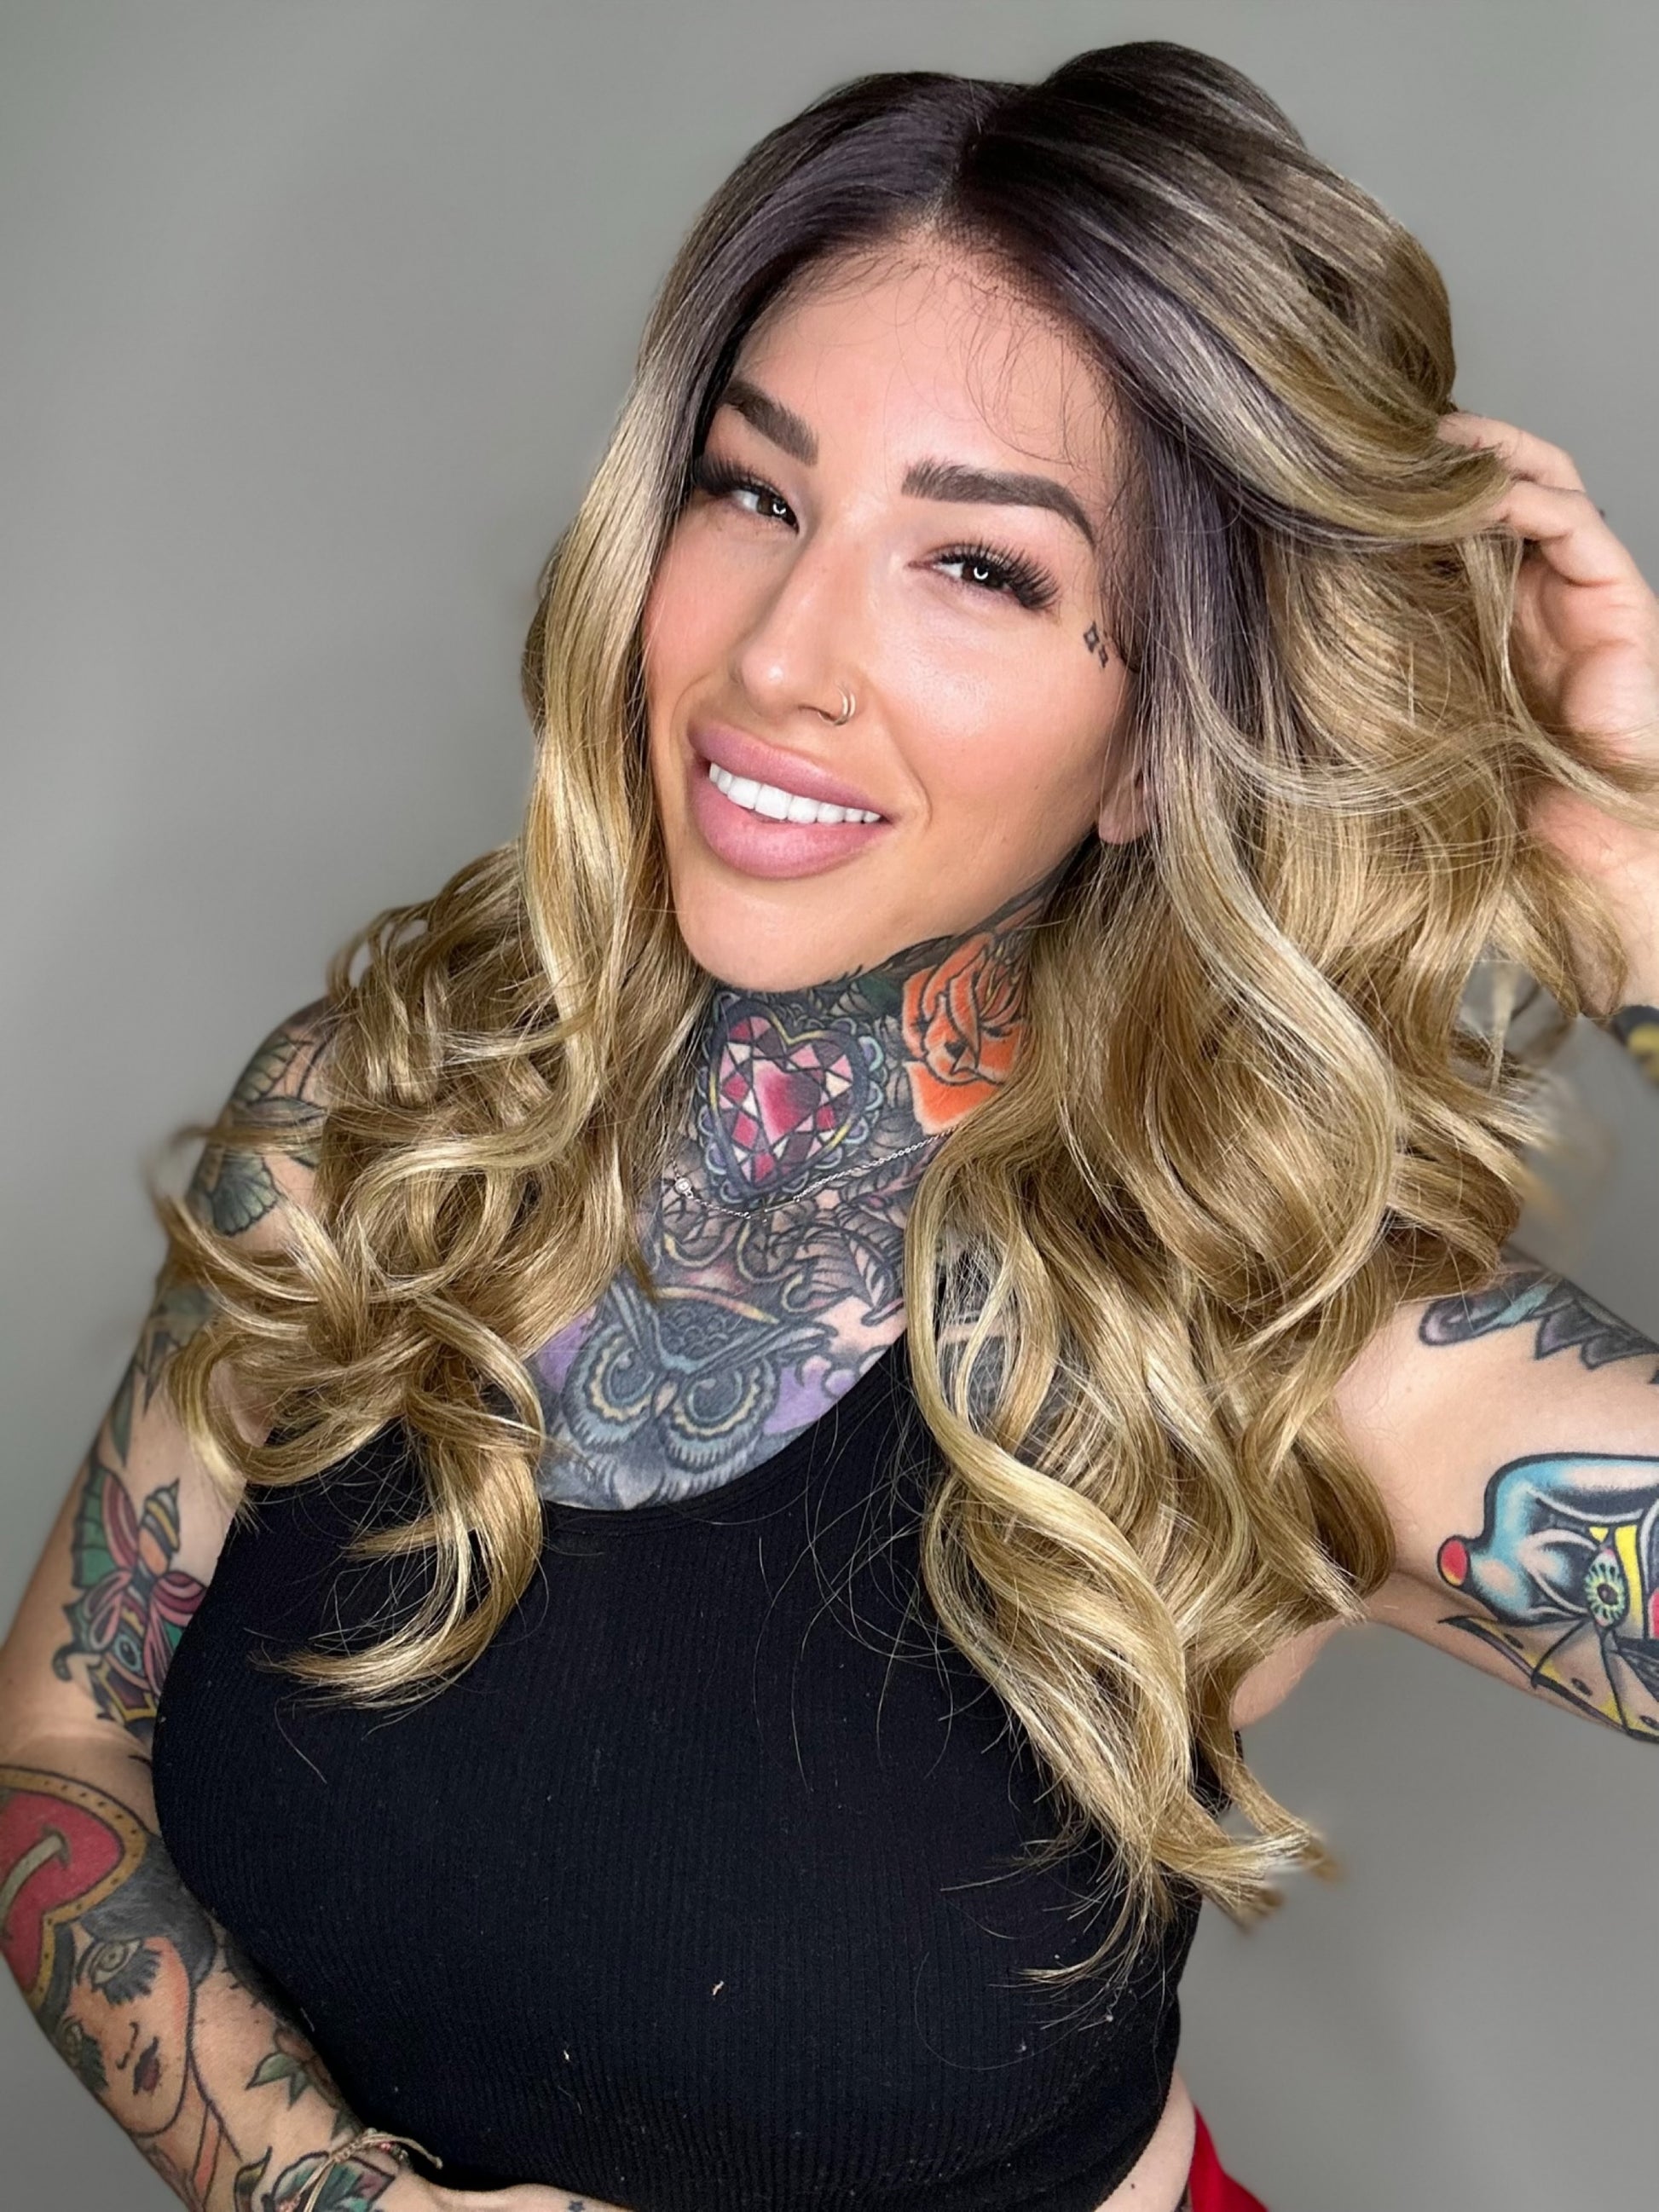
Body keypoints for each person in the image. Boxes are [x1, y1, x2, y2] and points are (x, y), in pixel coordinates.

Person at [3, 37, 1658, 2212]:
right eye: (754, 493)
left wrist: (1634, 884)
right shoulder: (381, 1118)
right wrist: (323, 2192)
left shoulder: (1298, 1342)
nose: (782, 656)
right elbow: (63, 1744)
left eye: (979, 568)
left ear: (1167, 736)